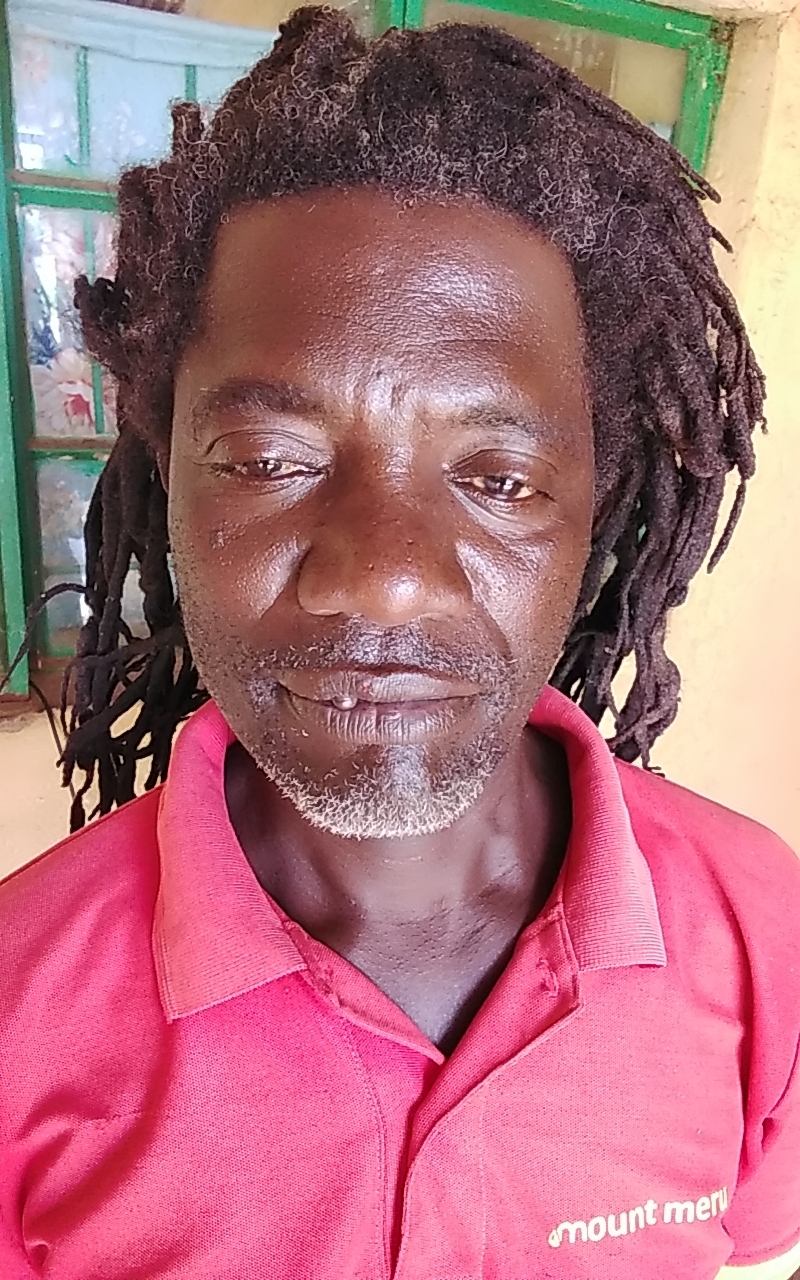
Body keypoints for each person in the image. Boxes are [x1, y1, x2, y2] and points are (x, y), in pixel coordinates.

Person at [1, 8, 798, 1278]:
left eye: (497, 478)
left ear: (595, 512)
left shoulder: (761, 930)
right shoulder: (19, 1002)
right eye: (267, 459)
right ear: (167, 480)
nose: (381, 575)